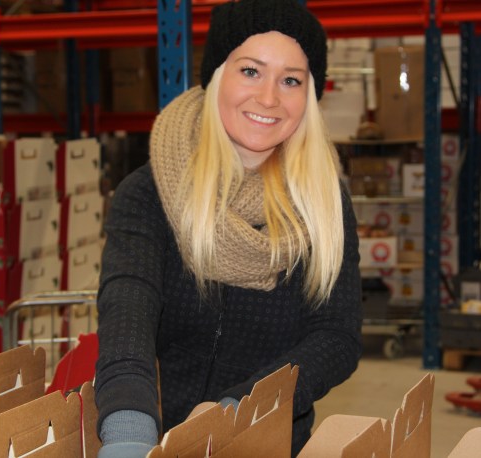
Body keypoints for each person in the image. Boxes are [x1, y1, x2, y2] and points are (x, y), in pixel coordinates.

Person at [94, 0, 363, 456]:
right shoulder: (149, 193)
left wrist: (241, 411)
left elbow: (336, 336)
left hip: (268, 443)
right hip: (158, 441)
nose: (269, 98)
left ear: (310, 96)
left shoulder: (324, 202)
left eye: (291, 80)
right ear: (218, 75)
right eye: (251, 71)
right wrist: (128, 431)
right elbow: (127, 310)